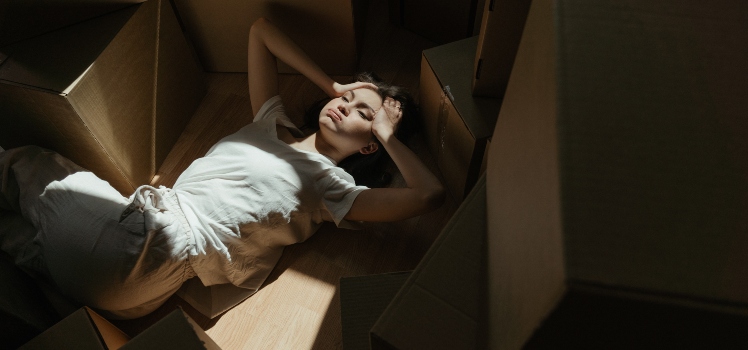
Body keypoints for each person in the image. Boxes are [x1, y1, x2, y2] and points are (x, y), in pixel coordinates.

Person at [0, 17, 444, 319]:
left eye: (364, 115)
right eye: (345, 100)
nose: (344, 107)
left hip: (154, 250)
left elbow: (428, 195)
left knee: (30, 164)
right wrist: (335, 83)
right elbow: (260, 31)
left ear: (369, 147)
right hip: (132, 287)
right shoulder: (271, 121)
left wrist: (387, 133)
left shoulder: (335, 188)